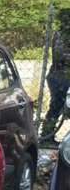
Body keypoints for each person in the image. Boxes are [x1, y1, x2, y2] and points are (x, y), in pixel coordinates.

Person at [40, 8, 70, 142]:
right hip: (60, 76)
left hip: (63, 75)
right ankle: (47, 136)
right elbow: (60, 55)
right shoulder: (61, 34)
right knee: (56, 106)